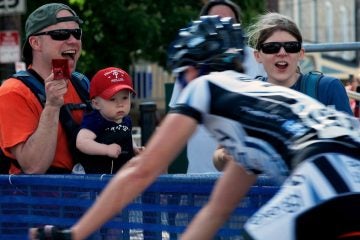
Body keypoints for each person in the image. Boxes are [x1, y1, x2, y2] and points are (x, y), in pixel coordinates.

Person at [29, 16, 360, 240]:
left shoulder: (208, 86)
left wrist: (75, 233)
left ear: (191, 70)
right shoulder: (253, 113)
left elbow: (141, 171)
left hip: (324, 177)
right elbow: (216, 210)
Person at [213, 12, 354, 171]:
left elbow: (350, 149)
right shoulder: (244, 95)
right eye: (271, 47)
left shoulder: (327, 88)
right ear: (258, 56)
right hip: (261, 192)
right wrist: (228, 156)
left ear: (301, 53)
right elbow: (218, 157)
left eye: (290, 46)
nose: (282, 52)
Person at [169, 0, 266, 174]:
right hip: (199, 175)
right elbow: (175, 117)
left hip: (247, 175)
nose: (222, 27)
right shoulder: (191, 62)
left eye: (229, 21)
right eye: (215, 21)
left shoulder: (258, 59)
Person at [0, 3, 87, 174]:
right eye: (60, 34)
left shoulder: (81, 82)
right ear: (35, 42)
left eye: (77, 33)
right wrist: (52, 106)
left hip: (84, 195)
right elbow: (33, 166)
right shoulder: (13, 91)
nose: (73, 41)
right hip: (39, 197)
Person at [74, 67, 143, 174]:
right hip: (97, 178)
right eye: (112, 99)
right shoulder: (95, 120)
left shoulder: (126, 120)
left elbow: (127, 137)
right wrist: (105, 149)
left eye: (124, 98)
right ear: (96, 104)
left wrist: (134, 148)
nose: (120, 104)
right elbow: (82, 142)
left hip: (121, 175)